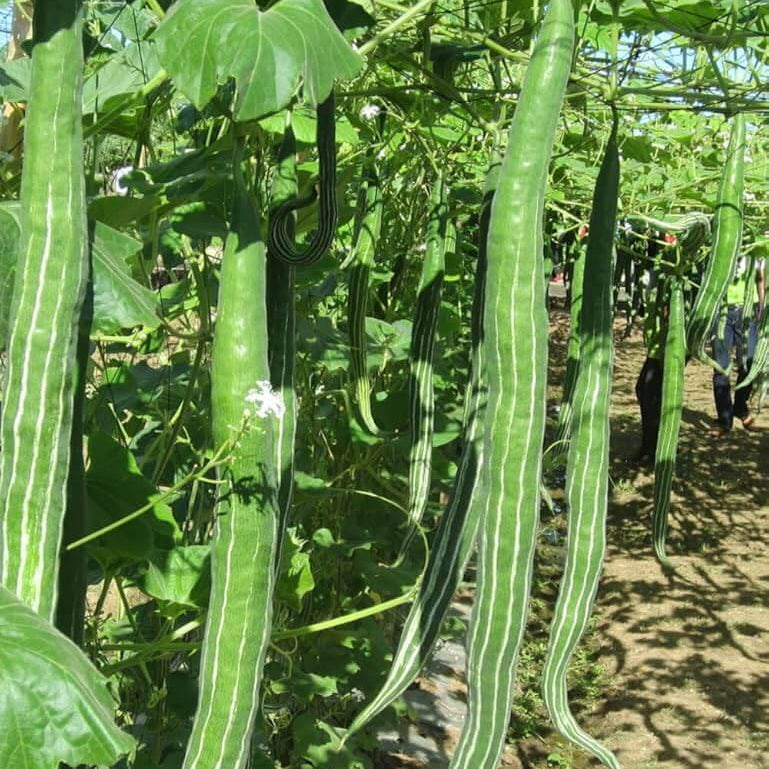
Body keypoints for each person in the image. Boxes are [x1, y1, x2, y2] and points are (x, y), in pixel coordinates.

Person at [710, 247, 765, 435]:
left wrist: (762, 307)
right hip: (722, 311)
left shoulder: (756, 249)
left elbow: (759, 277)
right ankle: (724, 419)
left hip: (748, 311)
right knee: (720, 367)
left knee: (750, 364)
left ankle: (740, 406)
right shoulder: (721, 248)